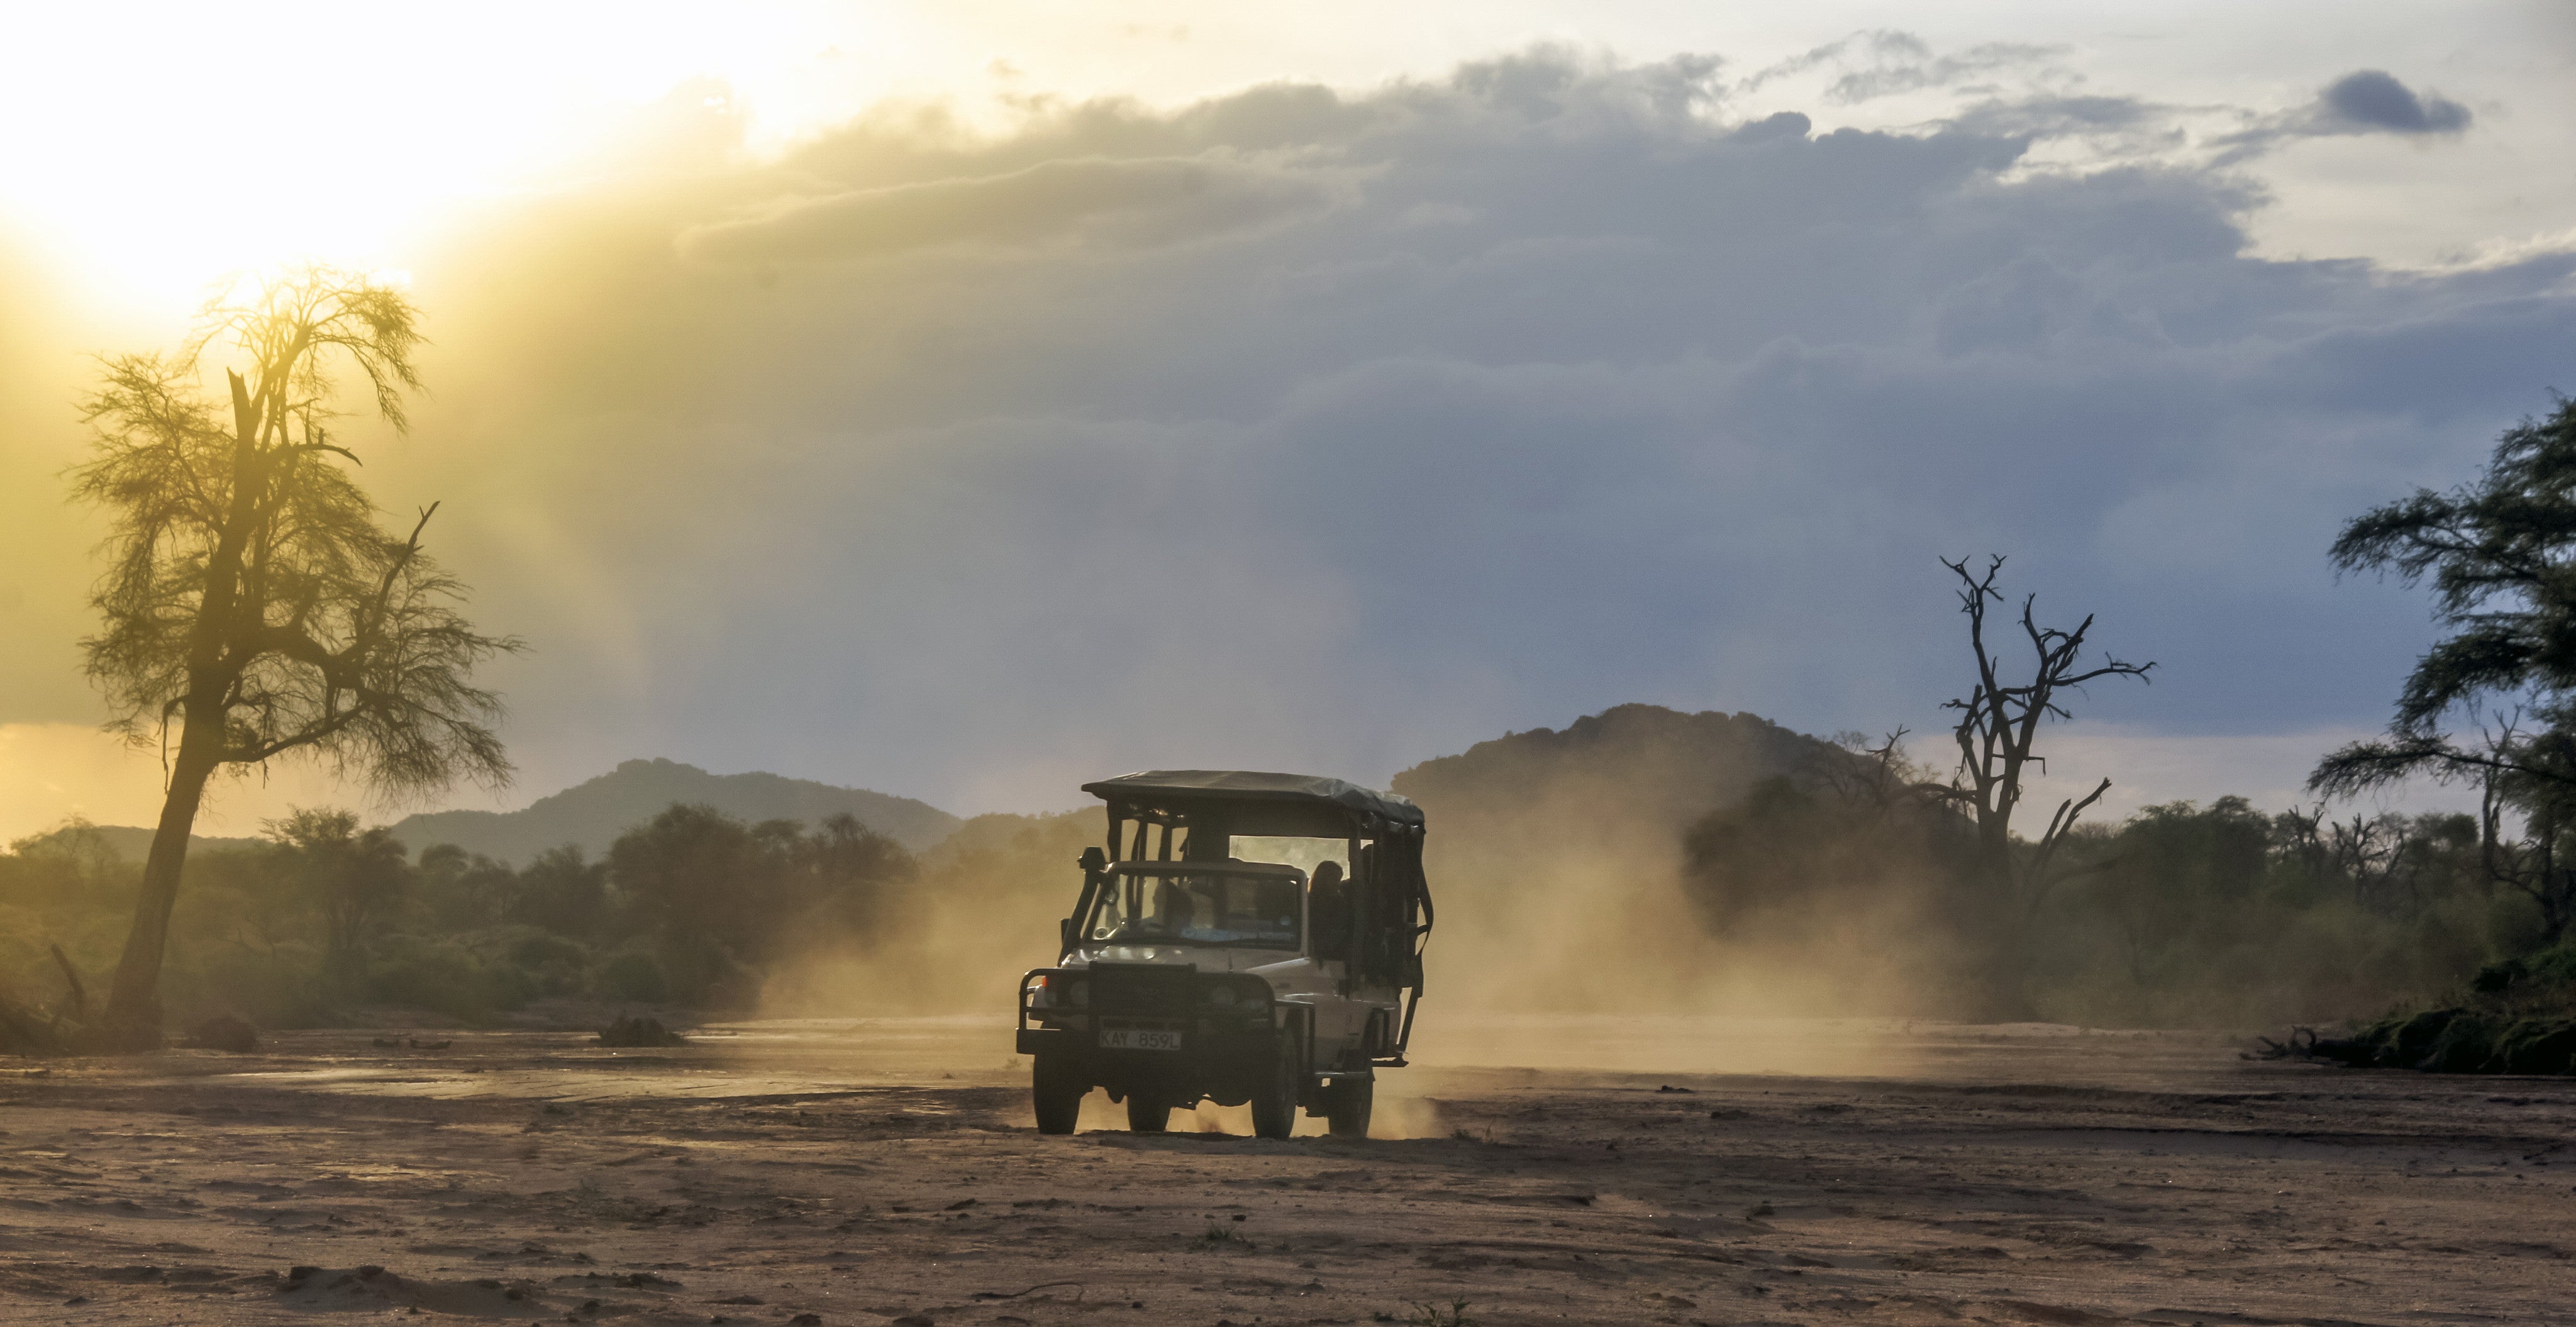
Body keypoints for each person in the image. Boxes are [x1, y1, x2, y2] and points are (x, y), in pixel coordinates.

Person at [1308, 860, 1349, 960]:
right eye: (1334, 879)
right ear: (1322, 878)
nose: (1337, 884)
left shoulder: (1339, 902)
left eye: (1338, 880)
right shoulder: (1309, 900)